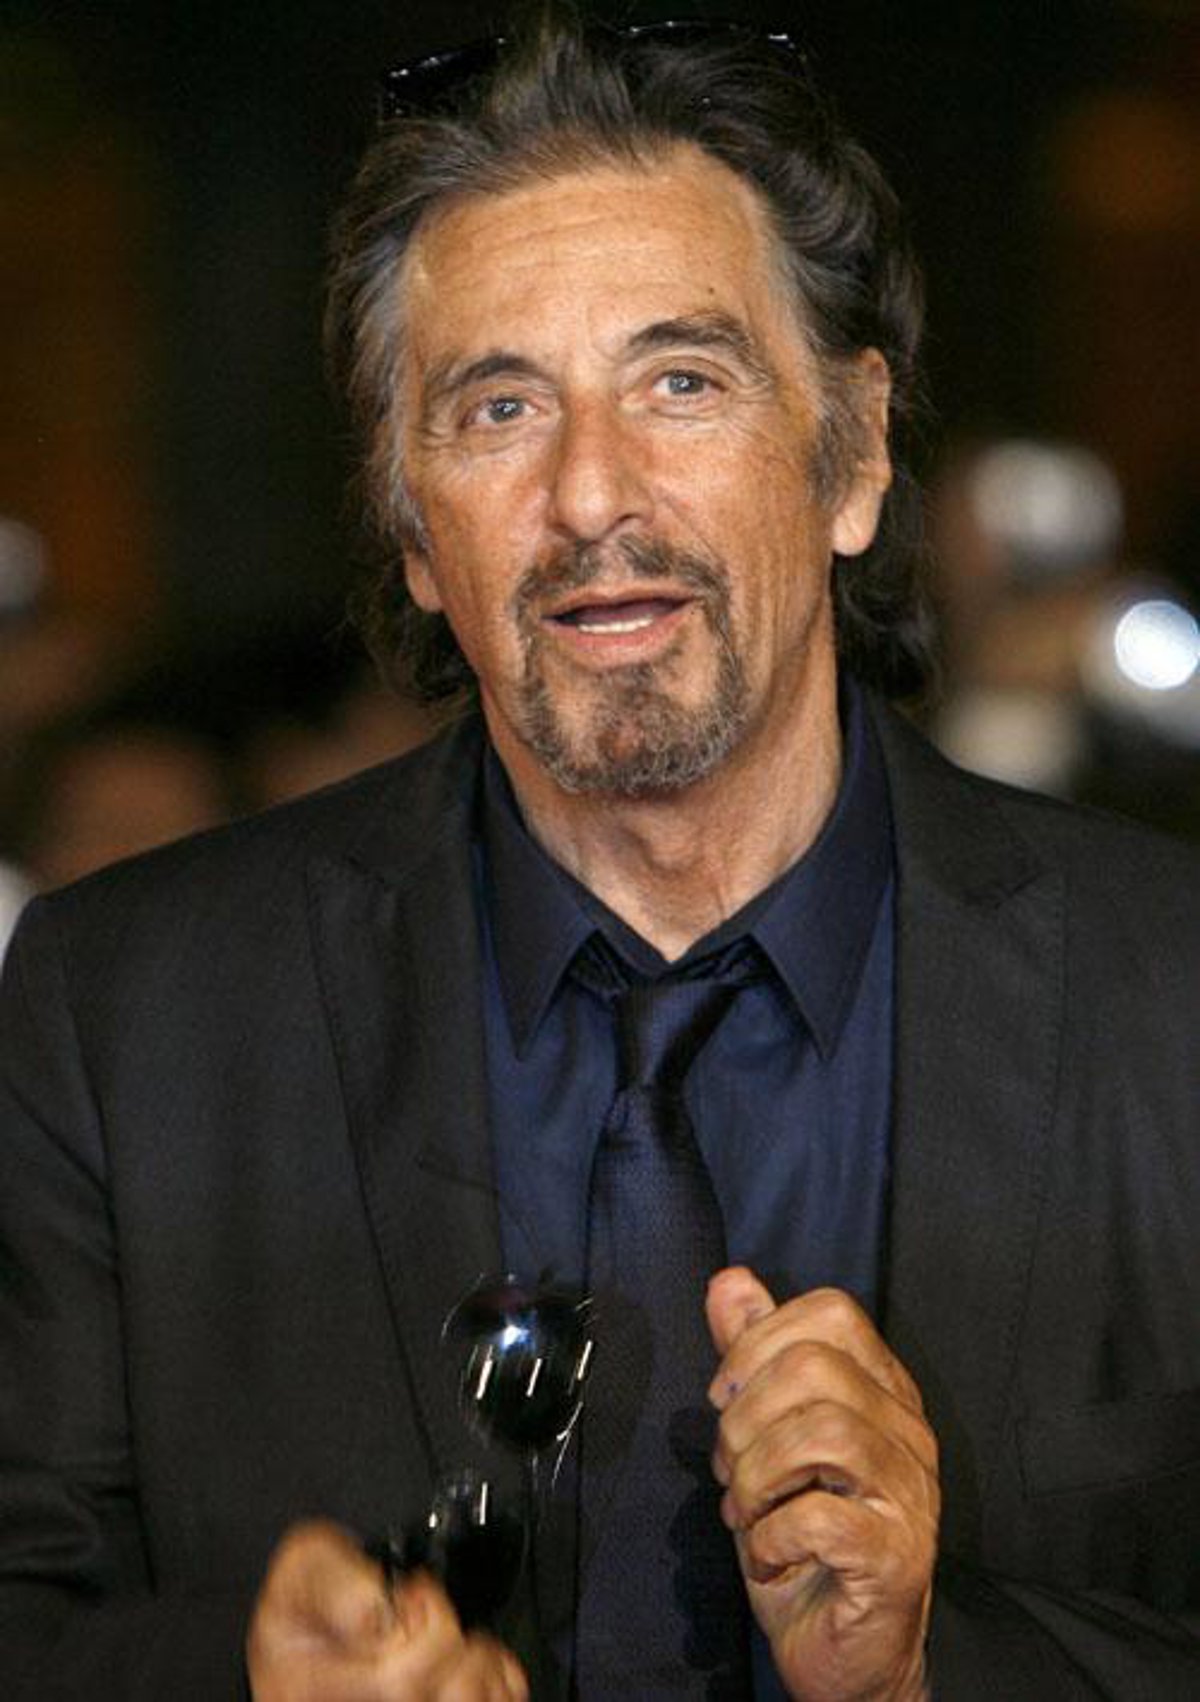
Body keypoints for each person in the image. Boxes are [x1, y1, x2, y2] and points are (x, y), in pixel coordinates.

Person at [1, 12, 1197, 1700]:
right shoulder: (123, 1015)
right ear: (414, 530)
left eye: (680, 382)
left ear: (853, 455)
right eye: (499, 408)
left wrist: (936, 1661)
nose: (588, 495)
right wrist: (251, 1678)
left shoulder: (1170, 997)